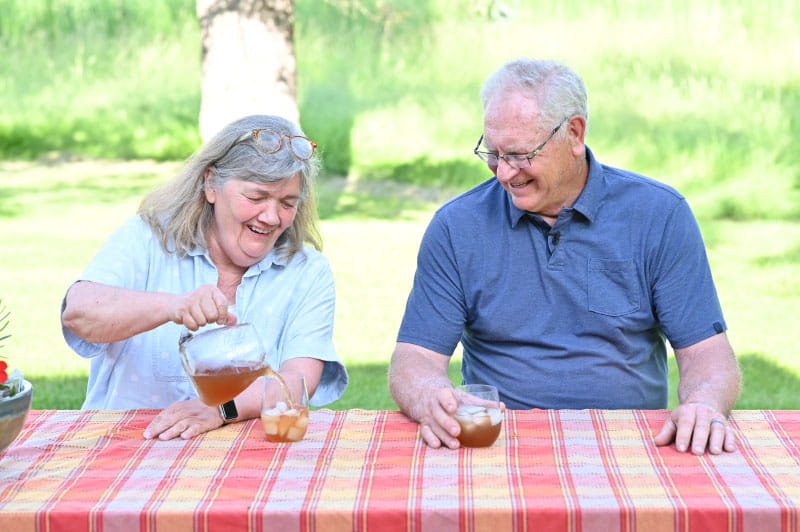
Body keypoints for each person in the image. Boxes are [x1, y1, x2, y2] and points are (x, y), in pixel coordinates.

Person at [389, 58, 740, 455]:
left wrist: (703, 402)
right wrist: (432, 393)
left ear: (574, 133)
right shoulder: (457, 226)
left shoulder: (659, 215)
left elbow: (707, 354)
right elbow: (413, 359)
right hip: (498, 446)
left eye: (521, 155)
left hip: (631, 446)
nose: (503, 173)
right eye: (493, 152)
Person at [61, 114, 347, 440]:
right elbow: (79, 313)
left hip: (245, 462)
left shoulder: (307, 270)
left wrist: (220, 410)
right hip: (127, 447)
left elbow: (299, 380)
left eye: (287, 203)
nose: (271, 217)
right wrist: (175, 307)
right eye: (256, 197)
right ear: (211, 184)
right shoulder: (148, 238)